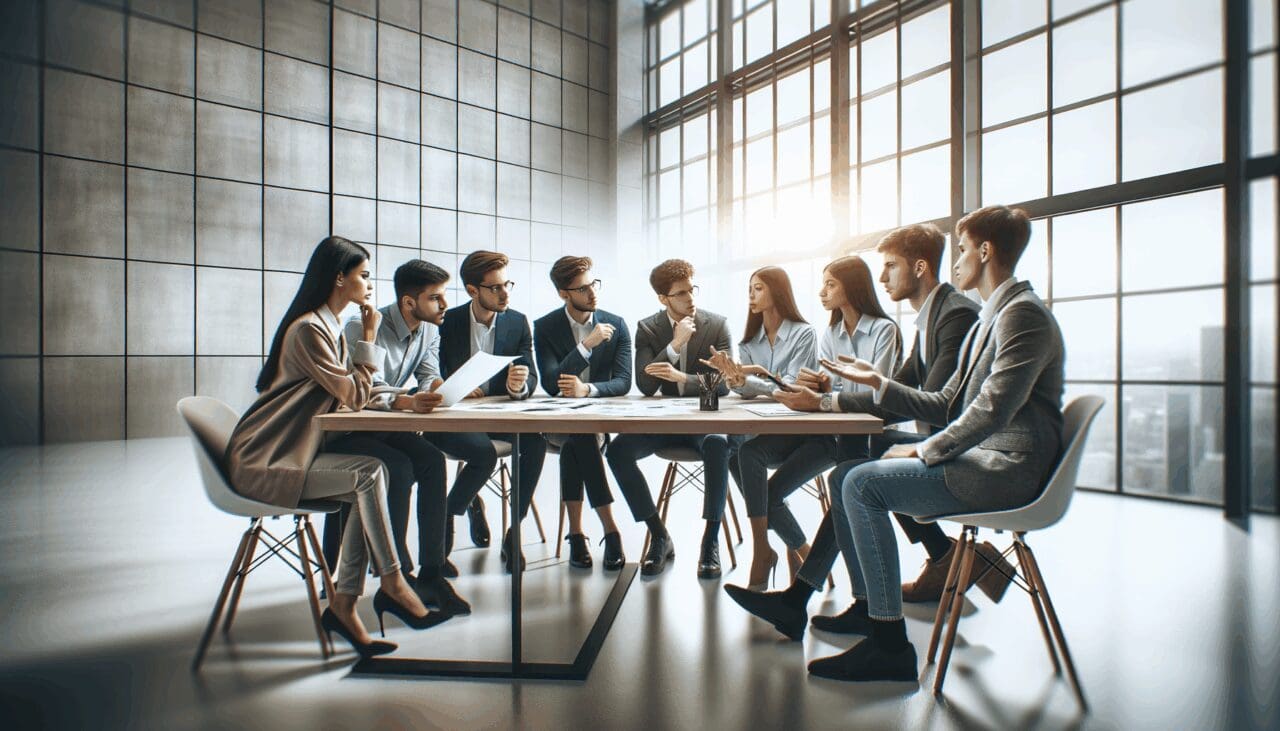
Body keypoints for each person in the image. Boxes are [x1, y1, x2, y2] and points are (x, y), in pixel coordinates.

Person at [775, 205, 1066, 682]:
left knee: (860, 483)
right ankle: (871, 612)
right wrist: (877, 382)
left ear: (984, 251)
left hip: (1007, 469)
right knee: (849, 473)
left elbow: (990, 410)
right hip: (988, 458)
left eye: (964, 249)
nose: (957, 261)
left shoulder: (1021, 316)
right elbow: (949, 398)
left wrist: (924, 449)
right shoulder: (992, 317)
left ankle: (888, 642)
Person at [725, 224, 1010, 643]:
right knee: (853, 466)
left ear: (919, 267)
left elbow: (935, 404)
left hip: (959, 450)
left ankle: (846, 598)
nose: (882, 277)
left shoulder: (954, 315)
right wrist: (833, 395)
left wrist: (831, 400)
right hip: (935, 440)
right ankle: (938, 556)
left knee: (853, 472)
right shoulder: (933, 318)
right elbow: (898, 392)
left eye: (890, 266)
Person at [224, 236, 449, 659]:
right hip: (271, 456)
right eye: (364, 275)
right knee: (371, 472)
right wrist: (370, 336)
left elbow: (357, 393)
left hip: (300, 448)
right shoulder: (310, 330)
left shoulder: (326, 326)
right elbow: (354, 393)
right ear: (339, 278)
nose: (370, 283)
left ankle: (347, 604)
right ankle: (391, 583)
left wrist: (395, 396)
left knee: (373, 472)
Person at [716, 255, 901, 592]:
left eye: (830, 284)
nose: (821, 292)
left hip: (843, 436)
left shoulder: (878, 330)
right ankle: (787, 554)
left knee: (768, 478)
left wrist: (819, 392)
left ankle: (795, 559)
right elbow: (821, 388)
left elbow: (877, 394)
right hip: (812, 426)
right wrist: (821, 389)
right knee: (738, 453)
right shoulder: (831, 333)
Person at [326, 259, 470, 617]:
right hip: (348, 429)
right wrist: (408, 401)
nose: (445, 305)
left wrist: (444, 388)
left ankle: (432, 573)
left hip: (387, 426)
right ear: (409, 302)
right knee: (400, 468)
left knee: (432, 460)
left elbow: (428, 375)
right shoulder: (362, 326)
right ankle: (398, 577)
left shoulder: (430, 330)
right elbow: (362, 391)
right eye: (435, 298)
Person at [605, 259, 732, 578]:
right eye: (681, 293)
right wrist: (675, 345)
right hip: (664, 423)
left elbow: (724, 386)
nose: (691, 298)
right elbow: (646, 385)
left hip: (704, 421)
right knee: (617, 452)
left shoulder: (717, 325)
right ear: (663, 298)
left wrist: (681, 378)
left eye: (692, 289)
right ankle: (659, 535)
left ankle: (710, 541)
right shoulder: (648, 328)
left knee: (718, 444)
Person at [702, 266, 817, 589]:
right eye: (749, 289)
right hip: (761, 430)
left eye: (758, 288)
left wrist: (753, 378)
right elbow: (743, 390)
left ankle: (777, 550)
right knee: (733, 448)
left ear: (777, 291)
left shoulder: (804, 334)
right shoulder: (749, 342)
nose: (751, 296)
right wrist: (736, 379)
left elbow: (792, 387)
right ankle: (788, 548)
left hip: (797, 431)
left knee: (745, 452)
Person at [438, 250, 547, 573]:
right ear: (473, 290)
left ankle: (514, 531)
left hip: (499, 415)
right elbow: (433, 371)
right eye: (495, 287)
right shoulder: (447, 322)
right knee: (482, 454)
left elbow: (531, 375)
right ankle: (449, 514)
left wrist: (518, 386)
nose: (505, 293)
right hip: (457, 418)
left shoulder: (517, 321)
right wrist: (453, 386)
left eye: (507, 284)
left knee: (536, 443)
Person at [533, 256, 633, 570]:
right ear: (563, 294)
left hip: (595, 423)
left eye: (594, 284)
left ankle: (576, 535)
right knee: (578, 438)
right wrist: (586, 346)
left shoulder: (616, 324)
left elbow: (623, 382)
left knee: (578, 441)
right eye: (582, 289)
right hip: (557, 425)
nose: (592, 293)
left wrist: (586, 390)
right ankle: (610, 529)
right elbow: (551, 383)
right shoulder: (545, 327)